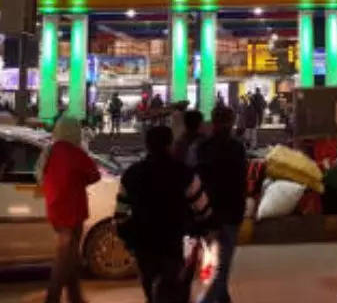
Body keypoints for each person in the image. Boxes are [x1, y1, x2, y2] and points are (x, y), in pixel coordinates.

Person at [116, 125, 213, 303]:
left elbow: (120, 214)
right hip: (173, 243)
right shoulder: (184, 173)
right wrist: (203, 230)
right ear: (170, 144)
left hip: (143, 243)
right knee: (173, 288)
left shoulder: (132, 174)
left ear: (147, 145)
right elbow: (202, 208)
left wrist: (128, 238)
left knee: (150, 287)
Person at [36, 116, 101, 303]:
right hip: (73, 211)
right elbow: (95, 175)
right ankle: (53, 298)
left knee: (71, 256)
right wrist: (80, 182)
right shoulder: (75, 152)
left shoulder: (50, 150)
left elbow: (41, 176)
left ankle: (75, 297)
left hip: (55, 210)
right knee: (64, 258)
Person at [193, 107, 248, 303]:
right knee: (221, 264)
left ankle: (222, 298)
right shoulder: (236, 148)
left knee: (214, 261)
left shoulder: (203, 148)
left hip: (209, 212)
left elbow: (197, 181)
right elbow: (241, 182)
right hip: (229, 212)